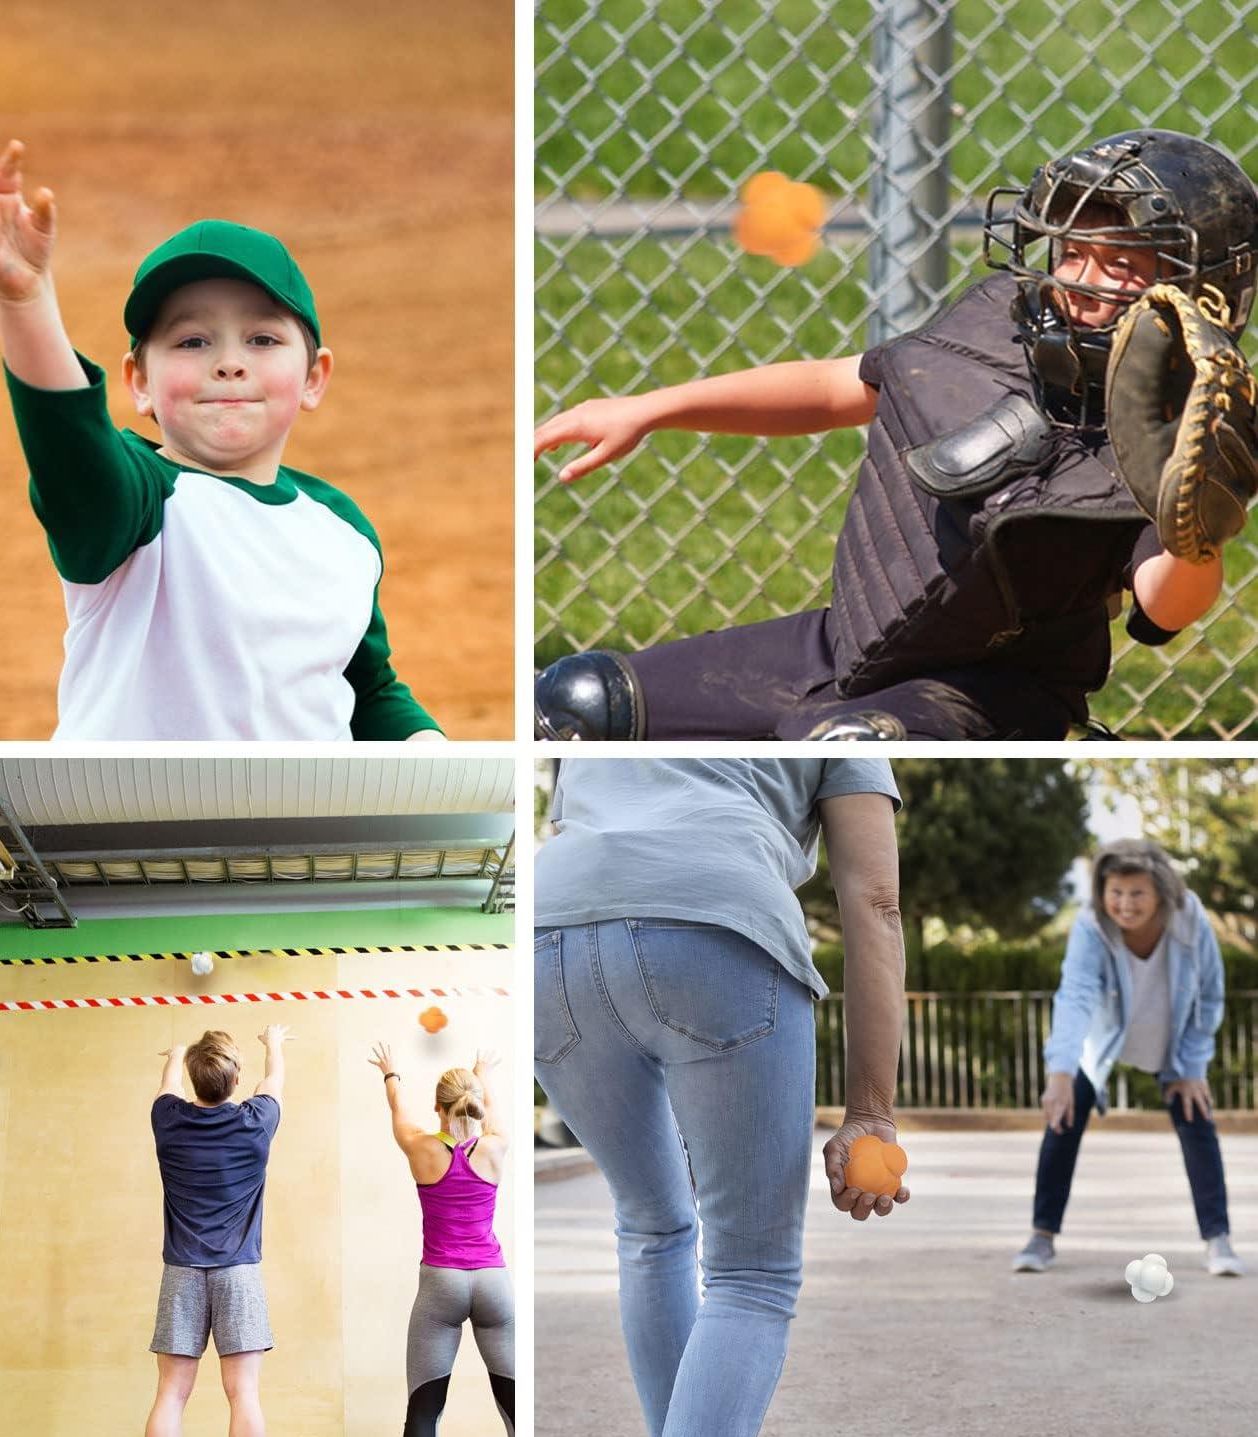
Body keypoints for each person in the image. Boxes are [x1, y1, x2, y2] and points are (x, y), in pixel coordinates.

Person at [534, 130, 1258, 740]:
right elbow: (831, 387)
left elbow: (1166, 607)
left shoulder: (1174, 427)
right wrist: (651, 408)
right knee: (580, 703)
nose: (1080, 281)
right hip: (839, 645)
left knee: (847, 745)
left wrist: (1193, 533)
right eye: (1071, 251)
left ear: (1201, 292)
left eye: (1122, 268)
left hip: (988, 690)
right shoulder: (1000, 324)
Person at [0, 133, 444, 743]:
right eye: (192, 342)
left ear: (314, 378)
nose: (229, 363)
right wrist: (25, 302)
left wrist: (426, 746)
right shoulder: (137, 501)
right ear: (140, 383)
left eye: (262, 339)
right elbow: (69, 446)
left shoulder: (342, 528)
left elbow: (364, 688)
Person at [534, 758, 908, 1437]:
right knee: (750, 1272)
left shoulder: (620, 688)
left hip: (551, 932)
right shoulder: (839, 699)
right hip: (717, 922)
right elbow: (875, 899)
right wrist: (870, 1110)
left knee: (650, 1227)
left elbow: (569, 820)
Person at [1013, 838, 1245, 1276]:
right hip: (1100, 1042)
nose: (1125, 904)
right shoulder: (1091, 925)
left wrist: (1193, 1066)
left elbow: (1211, 995)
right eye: (1115, 891)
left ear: (1160, 891)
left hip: (1171, 1041)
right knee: (1062, 1118)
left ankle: (1218, 1240)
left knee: (1198, 1120)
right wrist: (1060, 1070)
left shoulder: (1190, 919)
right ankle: (1041, 1237)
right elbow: (1075, 995)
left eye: (1137, 892)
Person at [144, 1027, 288, 1437]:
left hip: (181, 1271)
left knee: (170, 1393)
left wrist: (178, 1052)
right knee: (243, 1394)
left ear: (194, 1077)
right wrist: (273, 1044)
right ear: (234, 1078)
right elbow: (274, 1080)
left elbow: (167, 1085)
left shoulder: (168, 1120)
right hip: (239, 1273)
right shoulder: (256, 1122)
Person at [367, 1043, 514, 1437]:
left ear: (438, 1107)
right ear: (477, 1105)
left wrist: (391, 1074)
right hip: (493, 1283)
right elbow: (490, 1115)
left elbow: (397, 1108)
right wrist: (481, 1073)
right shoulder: (496, 1146)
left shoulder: (420, 1148)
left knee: (425, 1410)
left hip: (440, 1286)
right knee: (514, 1407)